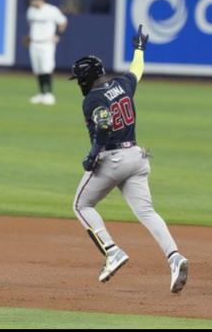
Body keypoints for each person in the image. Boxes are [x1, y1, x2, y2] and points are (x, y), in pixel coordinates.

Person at [68, 25, 189, 293]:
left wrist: (92, 155)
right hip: (138, 156)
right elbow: (137, 70)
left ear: (85, 79)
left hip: (113, 159)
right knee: (147, 212)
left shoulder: (92, 99)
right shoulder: (122, 84)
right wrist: (139, 48)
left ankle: (112, 251)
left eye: (79, 79)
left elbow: (103, 124)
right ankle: (174, 257)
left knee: (81, 205)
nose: (79, 84)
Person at [24, 0, 67, 106]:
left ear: (41, 0)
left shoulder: (51, 10)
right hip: (34, 43)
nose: (32, 2)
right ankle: (41, 93)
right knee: (37, 70)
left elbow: (63, 22)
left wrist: (58, 35)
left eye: (34, 0)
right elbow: (31, 26)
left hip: (47, 43)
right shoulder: (31, 11)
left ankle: (49, 94)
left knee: (46, 68)